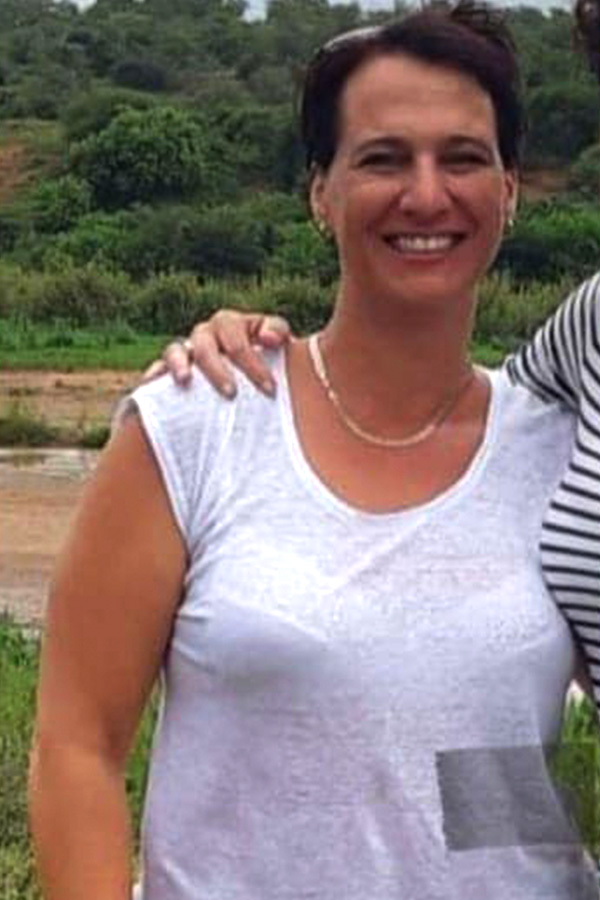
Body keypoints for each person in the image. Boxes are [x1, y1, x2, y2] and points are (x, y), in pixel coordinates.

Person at [29, 4, 600, 899]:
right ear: (320, 195)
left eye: (462, 158)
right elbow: (79, 746)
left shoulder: (558, 439)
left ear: (510, 191)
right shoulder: (200, 423)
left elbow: (488, 754)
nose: (426, 195)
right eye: (383, 159)